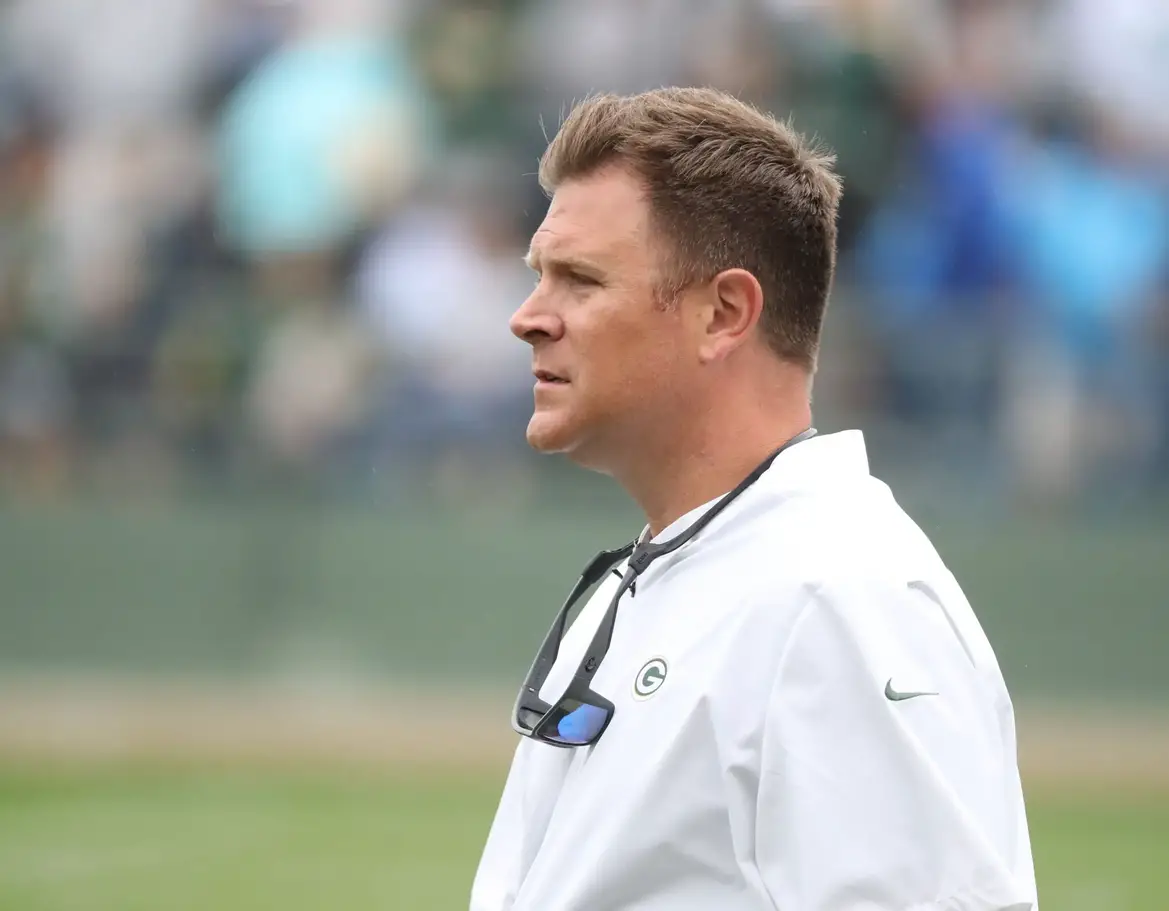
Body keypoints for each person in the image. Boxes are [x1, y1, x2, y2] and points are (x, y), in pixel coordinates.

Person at [471, 87, 1038, 911]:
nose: (527, 317)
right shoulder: (669, 571)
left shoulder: (840, 598)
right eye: (539, 277)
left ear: (724, 313)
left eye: (580, 280)